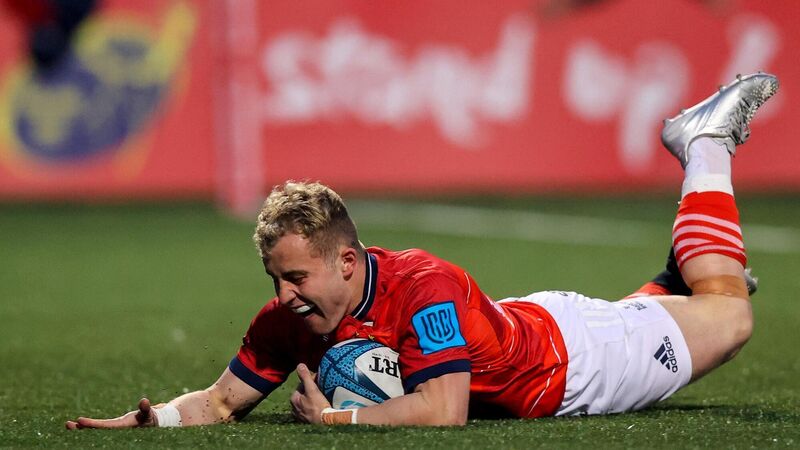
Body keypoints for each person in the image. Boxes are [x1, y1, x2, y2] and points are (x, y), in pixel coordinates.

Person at [66, 72, 778, 428]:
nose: (284, 296)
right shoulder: (290, 318)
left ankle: (703, 145)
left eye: (296, 277)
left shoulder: (421, 287)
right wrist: (158, 417)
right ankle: (668, 280)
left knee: (729, 312)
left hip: (576, 365)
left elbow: (444, 409)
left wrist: (336, 418)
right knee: (692, 299)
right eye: (276, 278)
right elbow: (222, 401)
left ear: (348, 261)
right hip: (527, 326)